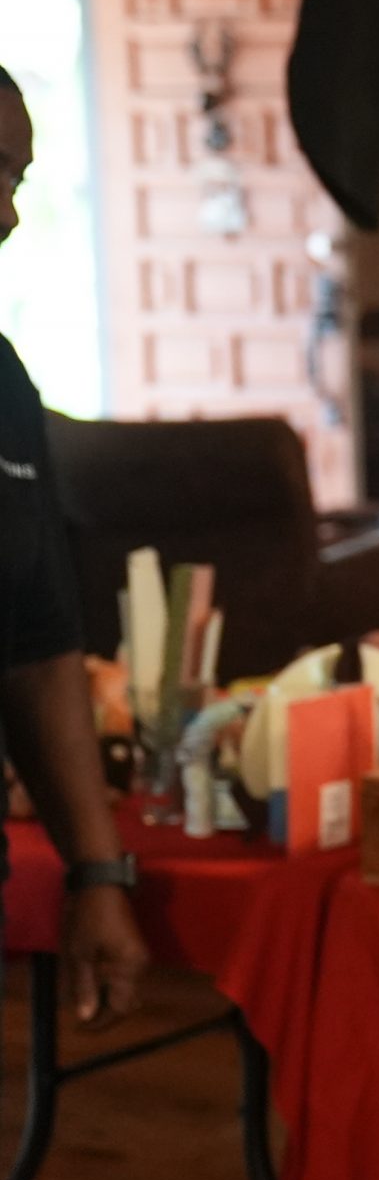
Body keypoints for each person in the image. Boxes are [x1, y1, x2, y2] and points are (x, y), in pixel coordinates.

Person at [0, 64, 150, 1031]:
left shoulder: (5, 384)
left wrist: (97, 871)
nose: (9, 215)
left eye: (16, 179)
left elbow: (43, 649)